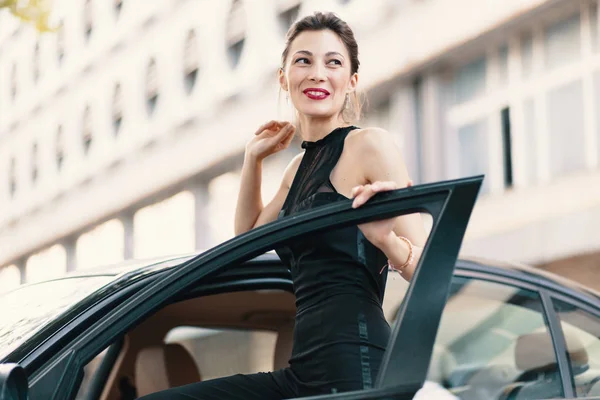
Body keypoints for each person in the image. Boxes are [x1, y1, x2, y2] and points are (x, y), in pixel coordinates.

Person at [139, 11, 427, 400]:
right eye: (303, 60)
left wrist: (386, 241)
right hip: (302, 373)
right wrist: (252, 161)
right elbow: (247, 241)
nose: (317, 73)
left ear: (352, 81)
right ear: (283, 77)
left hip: (355, 368)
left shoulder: (370, 145)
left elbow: (428, 264)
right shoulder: (295, 170)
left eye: (333, 62)